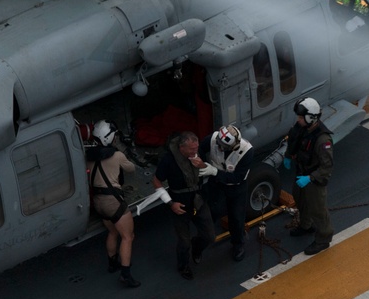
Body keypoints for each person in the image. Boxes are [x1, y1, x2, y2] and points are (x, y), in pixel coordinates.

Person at [151, 131, 217, 280]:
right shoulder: (168, 160)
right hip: (179, 204)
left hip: (198, 200)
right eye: (192, 149)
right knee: (184, 242)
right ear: (182, 148)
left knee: (210, 236)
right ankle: (183, 266)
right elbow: (156, 180)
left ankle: (197, 247)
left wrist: (202, 165)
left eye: (197, 148)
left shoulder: (197, 153)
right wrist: (170, 203)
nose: (195, 151)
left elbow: (205, 170)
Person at [88, 120, 140, 288]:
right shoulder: (117, 156)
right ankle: (125, 274)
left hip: (99, 202)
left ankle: (112, 264)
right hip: (114, 202)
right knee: (127, 237)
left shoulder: (88, 158)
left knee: (112, 232)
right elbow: (131, 168)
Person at [284, 97, 334, 255]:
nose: (298, 120)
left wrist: (310, 178)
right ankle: (306, 225)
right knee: (300, 199)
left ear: (312, 118)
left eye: (300, 117)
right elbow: (293, 140)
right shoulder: (302, 128)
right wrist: (288, 155)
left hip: (314, 179)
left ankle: (323, 239)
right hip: (301, 173)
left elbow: (326, 168)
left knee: (318, 209)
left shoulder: (323, 140)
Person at [198, 124, 253, 262]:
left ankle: (238, 245)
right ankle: (202, 241)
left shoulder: (246, 151)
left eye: (224, 147)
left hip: (236, 188)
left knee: (236, 217)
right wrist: (203, 164)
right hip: (216, 185)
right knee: (211, 212)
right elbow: (200, 149)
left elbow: (238, 178)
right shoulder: (212, 139)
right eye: (219, 145)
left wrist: (214, 171)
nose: (220, 148)